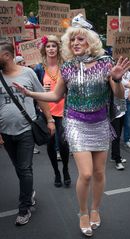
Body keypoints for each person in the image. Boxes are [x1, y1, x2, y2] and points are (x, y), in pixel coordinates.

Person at [13, 14, 130, 237]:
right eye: (73, 40)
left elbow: (118, 95)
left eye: (81, 39)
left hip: (100, 123)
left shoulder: (106, 63)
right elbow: (55, 96)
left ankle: (96, 209)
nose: (76, 43)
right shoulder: (67, 68)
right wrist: (29, 93)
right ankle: (83, 212)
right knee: (85, 174)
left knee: (98, 172)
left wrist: (116, 80)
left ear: (91, 42)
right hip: (76, 123)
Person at [0, 42, 55, 226]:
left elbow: (40, 98)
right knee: (19, 168)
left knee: (24, 168)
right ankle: (29, 191)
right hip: (6, 133)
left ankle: (24, 208)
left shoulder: (28, 73)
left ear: (7, 56)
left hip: (26, 130)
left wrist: (50, 119)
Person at [34, 35, 71, 187]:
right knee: (50, 144)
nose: (51, 49)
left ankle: (66, 170)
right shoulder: (39, 68)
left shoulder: (66, 66)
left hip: (63, 111)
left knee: (63, 143)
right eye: (48, 46)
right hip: (47, 112)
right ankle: (56, 172)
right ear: (44, 49)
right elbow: (33, 90)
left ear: (58, 48)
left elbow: (72, 87)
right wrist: (42, 90)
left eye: (53, 46)